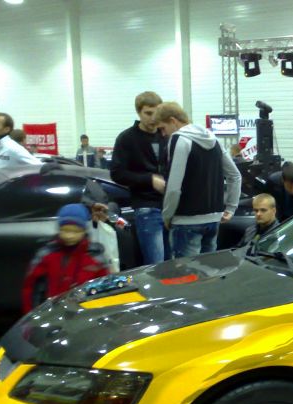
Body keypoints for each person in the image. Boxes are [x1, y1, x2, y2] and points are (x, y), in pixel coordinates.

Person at [155, 102, 241, 258]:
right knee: (208, 271)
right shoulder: (214, 139)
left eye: (162, 128)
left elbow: (174, 187)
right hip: (214, 219)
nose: (163, 133)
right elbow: (235, 175)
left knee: (186, 272)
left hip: (185, 221)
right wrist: (231, 208)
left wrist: (167, 215)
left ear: (173, 121)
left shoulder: (179, 139)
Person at [111, 91, 169, 265]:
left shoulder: (166, 135)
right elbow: (117, 173)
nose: (153, 118)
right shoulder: (126, 138)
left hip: (170, 207)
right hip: (146, 207)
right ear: (138, 112)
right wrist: (149, 179)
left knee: (172, 264)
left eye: (156, 113)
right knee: (156, 264)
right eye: (148, 113)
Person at [21, 204, 109, 313]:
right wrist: (33, 315)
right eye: (65, 230)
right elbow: (30, 287)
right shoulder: (47, 255)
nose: (69, 236)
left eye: (76, 231)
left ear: (84, 231)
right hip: (52, 314)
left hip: (86, 315)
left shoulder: (95, 258)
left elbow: (106, 289)